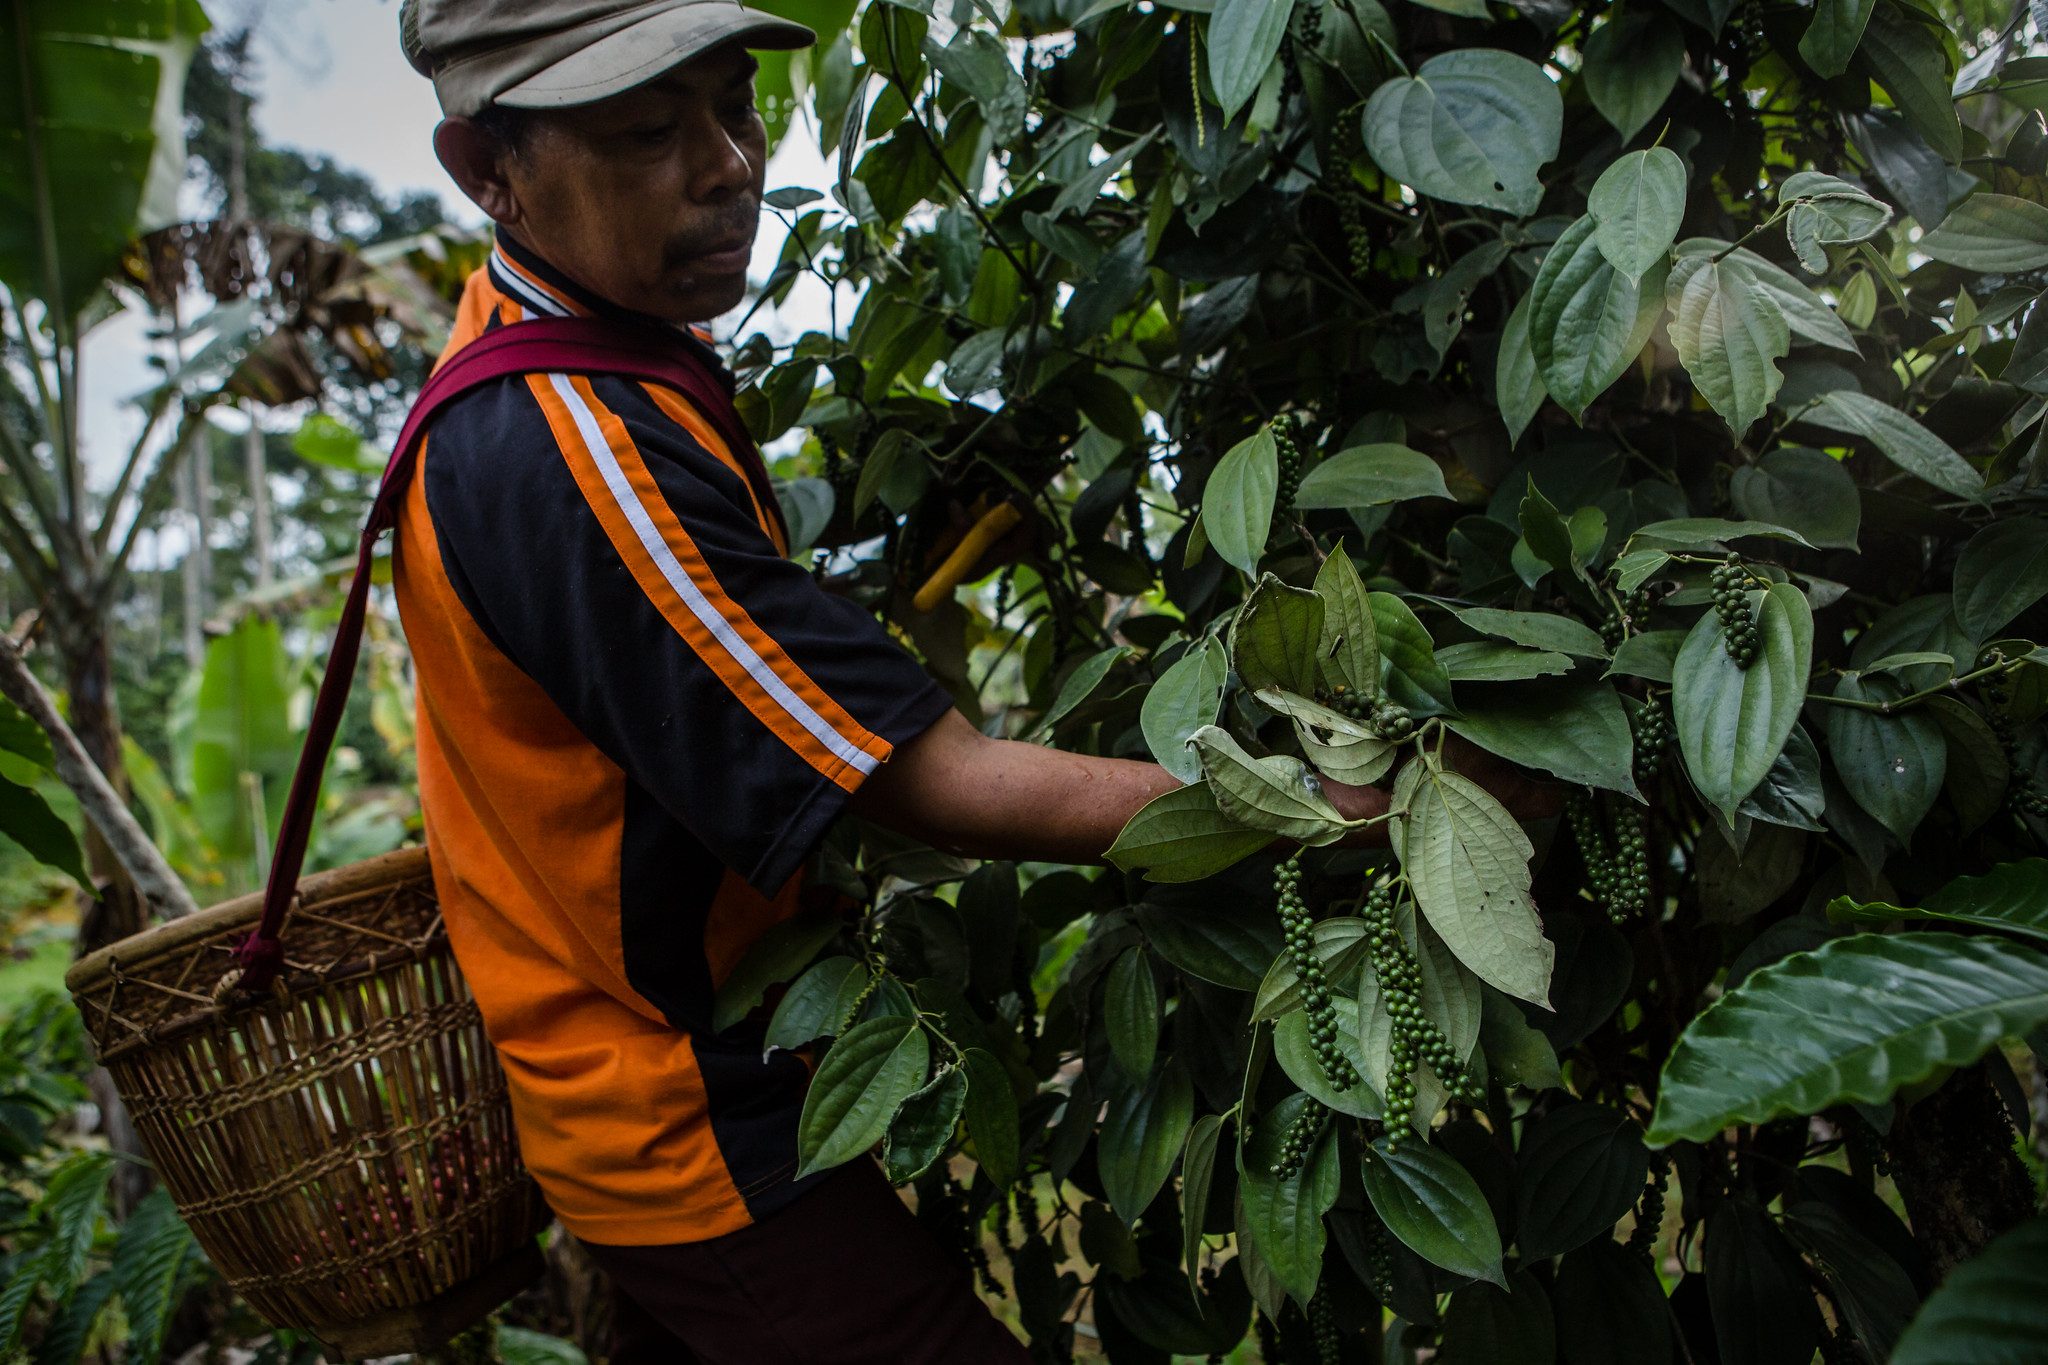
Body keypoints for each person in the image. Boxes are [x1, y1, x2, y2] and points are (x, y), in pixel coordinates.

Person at [395, 2, 1553, 1359]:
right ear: (487, 170)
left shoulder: (568, 339)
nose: (726, 163)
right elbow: (935, 785)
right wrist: (1346, 809)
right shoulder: (565, 441)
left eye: (734, 103)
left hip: (664, 1076)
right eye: (651, 130)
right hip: (679, 1113)